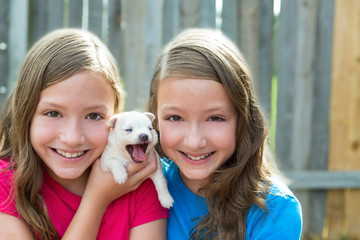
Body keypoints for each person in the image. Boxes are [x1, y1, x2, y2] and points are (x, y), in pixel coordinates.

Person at [0, 28, 168, 240]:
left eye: (94, 116)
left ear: (114, 120)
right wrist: (96, 200)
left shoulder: (140, 181)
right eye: (53, 113)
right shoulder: (6, 186)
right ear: (27, 113)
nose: (73, 138)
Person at [147, 28, 303, 240]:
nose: (194, 141)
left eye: (215, 118)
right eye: (175, 118)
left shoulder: (275, 210)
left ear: (242, 118)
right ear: (154, 118)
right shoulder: (142, 186)